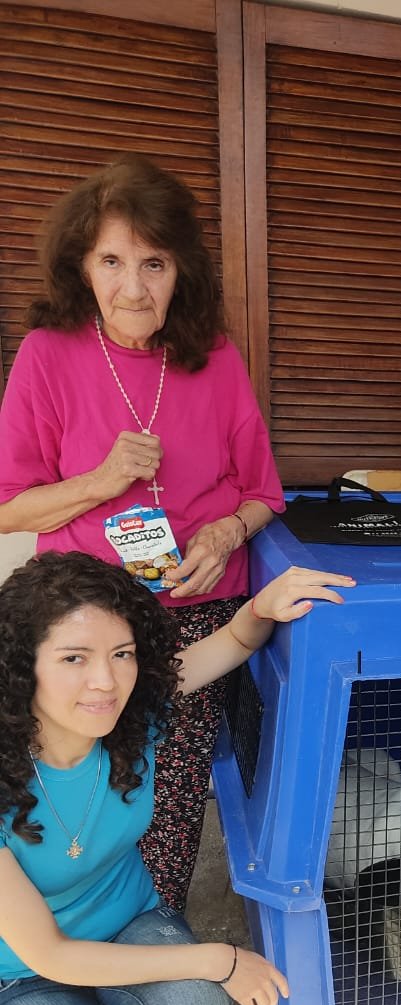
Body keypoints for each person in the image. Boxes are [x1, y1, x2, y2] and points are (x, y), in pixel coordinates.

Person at [0, 550, 354, 1005]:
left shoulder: (132, 716)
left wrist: (262, 606)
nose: (105, 681)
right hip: (19, 974)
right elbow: (48, 954)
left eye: (123, 653)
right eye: (74, 658)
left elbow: (229, 643)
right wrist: (219, 958)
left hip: (123, 919)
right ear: (23, 669)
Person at [0, 155, 285, 911]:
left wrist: (226, 531)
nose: (134, 287)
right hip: (87, 613)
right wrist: (99, 482)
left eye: (154, 263)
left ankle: (156, 928)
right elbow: (8, 507)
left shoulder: (215, 357)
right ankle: (53, 943)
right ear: (82, 268)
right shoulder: (48, 355)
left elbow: (264, 493)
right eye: (113, 261)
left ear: (180, 268)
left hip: (200, 607)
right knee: (72, 783)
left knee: (174, 790)